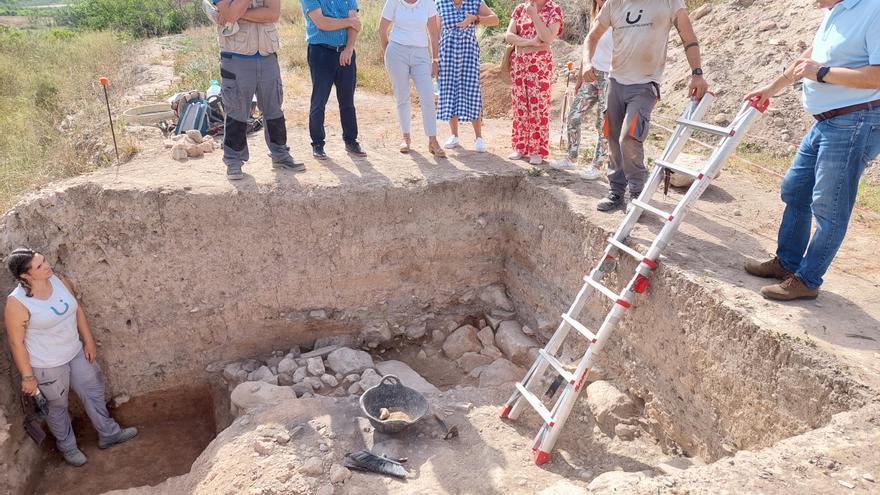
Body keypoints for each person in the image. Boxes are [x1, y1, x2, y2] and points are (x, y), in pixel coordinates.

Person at [743, 0, 880, 301]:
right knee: (795, 190)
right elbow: (808, 59)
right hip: (828, 120)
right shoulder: (834, 13)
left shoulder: (874, 10)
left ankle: (807, 279)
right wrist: (770, 89)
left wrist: (822, 73)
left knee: (829, 207)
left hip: (855, 120)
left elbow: (876, 76)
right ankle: (787, 263)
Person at [4, 249, 138, 467]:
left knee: (93, 392)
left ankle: (109, 434)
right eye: (39, 266)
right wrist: (27, 376)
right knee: (57, 407)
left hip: (75, 352)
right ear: (25, 276)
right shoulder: (17, 303)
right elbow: (16, 343)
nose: (47, 266)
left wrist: (89, 341)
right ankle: (68, 447)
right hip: (47, 365)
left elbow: (77, 310)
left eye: (44, 260)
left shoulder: (56, 280)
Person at [583, 0, 708, 211]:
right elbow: (592, 36)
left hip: (645, 84)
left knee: (629, 137)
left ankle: (637, 193)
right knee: (612, 138)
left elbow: (689, 37)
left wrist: (697, 74)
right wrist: (587, 62)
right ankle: (616, 190)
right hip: (616, 81)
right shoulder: (614, 4)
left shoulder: (670, 2)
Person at [214, 0, 304, 180]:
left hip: (267, 56)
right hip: (235, 56)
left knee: (274, 109)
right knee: (236, 111)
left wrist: (240, 12)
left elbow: (273, 14)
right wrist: (238, 13)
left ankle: (280, 155)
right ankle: (233, 161)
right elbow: (229, 15)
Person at [551, 0, 612, 180]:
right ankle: (571, 156)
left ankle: (596, 165)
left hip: (610, 76)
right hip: (591, 74)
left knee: (603, 123)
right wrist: (579, 78)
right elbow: (588, 49)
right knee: (574, 114)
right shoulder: (596, 18)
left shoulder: (617, 15)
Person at [378, 0, 445, 156]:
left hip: (421, 53)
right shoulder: (393, 2)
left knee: (428, 96)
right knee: (402, 96)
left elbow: (434, 33)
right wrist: (388, 53)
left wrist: (435, 60)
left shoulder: (428, 2)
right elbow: (382, 30)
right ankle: (406, 137)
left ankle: (432, 141)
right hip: (397, 52)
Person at [301, 0, 367, 159]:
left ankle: (351, 140)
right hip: (321, 53)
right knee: (319, 100)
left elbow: (355, 25)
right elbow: (322, 23)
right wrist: (349, 22)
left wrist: (349, 48)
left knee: (347, 101)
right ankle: (317, 143)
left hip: (346, 52)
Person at [436, 0, 499, 153]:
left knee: (472, 93)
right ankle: (454, 135)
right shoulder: (439, 3)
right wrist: (435, 59)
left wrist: (475, 18)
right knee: (450, 92)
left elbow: (495, 20)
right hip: (447, 53)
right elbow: (436, 33)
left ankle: (478, 137)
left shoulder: (475, 2)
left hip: (468, 53)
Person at [505, 0, 563, 165]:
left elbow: (548, 38)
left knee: (538, 107)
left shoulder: (554, 9)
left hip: (539, 64)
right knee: (520, 105)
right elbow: (508, 35)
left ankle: (537, 150)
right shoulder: (520, 8)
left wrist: (534, 16)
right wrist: (529, 42)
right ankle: (520, 146)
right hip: (519, 62)